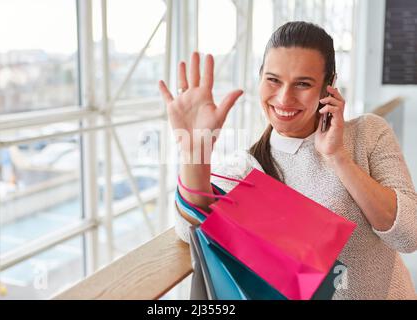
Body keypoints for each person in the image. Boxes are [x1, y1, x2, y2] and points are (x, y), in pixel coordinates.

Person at [158, 21, 417, 299]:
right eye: (273, 80)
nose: (284, 98)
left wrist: (338, 157)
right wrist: (195, 149)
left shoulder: (368, 132)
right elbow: (189, 230)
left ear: (328, 86)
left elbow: (407, 235)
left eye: (303, 84)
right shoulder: (246, 169)